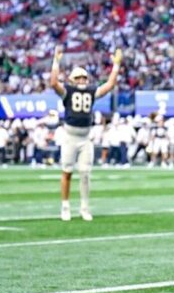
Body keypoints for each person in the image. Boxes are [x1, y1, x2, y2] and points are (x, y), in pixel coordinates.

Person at [50, 45, 122, 221]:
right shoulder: (68, 91)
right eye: (78, 77)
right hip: (70, 136)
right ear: (72, 80)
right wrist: (56, 61)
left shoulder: (90, 92)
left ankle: (84, 207)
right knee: (67, 171)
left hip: (85, 137)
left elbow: (110, 85)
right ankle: (65, 206)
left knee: (85, 174)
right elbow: (53, 83)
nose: (82, 80)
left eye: (84, 77)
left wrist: (116, 66)